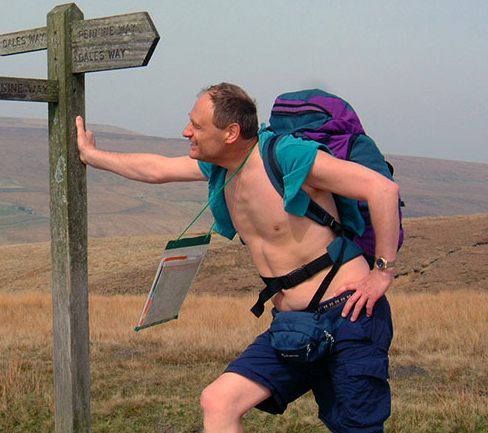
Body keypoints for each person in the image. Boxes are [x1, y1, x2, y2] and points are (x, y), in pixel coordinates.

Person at [76, 83, 400, 432]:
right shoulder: (220, 168)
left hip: (348, 314)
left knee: (356, 428)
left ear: (231, 132)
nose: (187, 132)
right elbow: (156, 169)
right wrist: (92, 155)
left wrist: (382, 272)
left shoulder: (288, 156)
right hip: (292, 324)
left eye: (197, 126)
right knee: (219, 401)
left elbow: (381, 189)